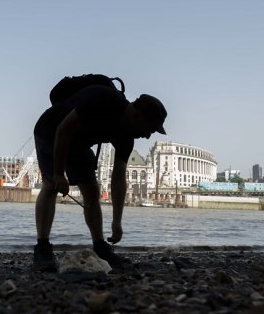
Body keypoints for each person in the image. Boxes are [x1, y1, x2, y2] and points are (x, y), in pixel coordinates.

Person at [32, 84, 167, 272]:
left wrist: (117, 221)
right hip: (51, 132)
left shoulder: (127, 137)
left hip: (78, 143)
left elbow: (119, 178)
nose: (147, 136)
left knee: (92, 190)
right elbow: (64, 129)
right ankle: (42, 249)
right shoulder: (104, 100)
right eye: (150, 129)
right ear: (138, 115)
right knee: (51, 186)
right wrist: (58, 174)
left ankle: (100, 247)